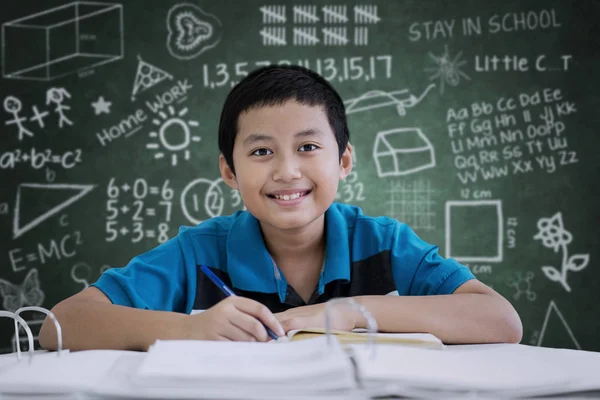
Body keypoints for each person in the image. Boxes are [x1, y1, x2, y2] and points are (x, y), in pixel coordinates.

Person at [39, 65, 522, 351]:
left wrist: (352, 313)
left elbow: (501, 321)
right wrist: (192, 327)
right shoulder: (199, 252)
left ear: (345, 160)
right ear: (229, 172)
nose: (288, 172)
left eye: (309, 147)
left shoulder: (384, 243)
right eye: (262, 151)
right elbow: (59, 325)